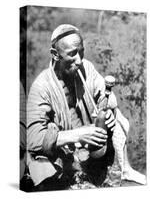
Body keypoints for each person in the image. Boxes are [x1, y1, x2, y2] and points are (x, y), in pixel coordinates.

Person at [27, 24, 146, 191]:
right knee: (43, 165)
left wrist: (106, 110)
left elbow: (105, 95)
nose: (79, 59)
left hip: (90, 145)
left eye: (81, 51)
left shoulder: (86, 68)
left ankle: (124, 169)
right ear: (55, 55)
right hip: (64, 153)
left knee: (116, 115)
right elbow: (33, 139)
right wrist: (78, 135)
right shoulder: (41, 87)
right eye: (72, 54)